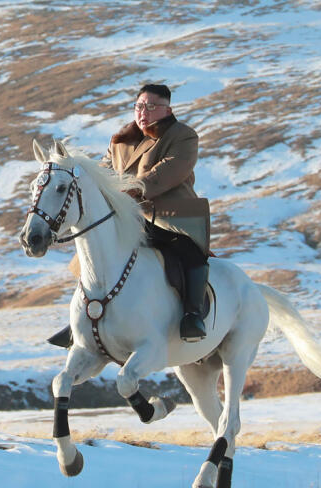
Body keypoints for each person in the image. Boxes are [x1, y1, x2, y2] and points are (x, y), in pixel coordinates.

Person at [47, 83, 210, 348]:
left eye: (151, 107)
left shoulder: (183, 137)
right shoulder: (120, 139)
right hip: (127, 217)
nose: (143, 112)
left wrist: (125, 192)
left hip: (169, 216)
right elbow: (103, 173)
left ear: (167, 110)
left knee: (189, 253)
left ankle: (192, 315)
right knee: (91, 255)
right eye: (139, 106)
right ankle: (84, 318)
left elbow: (165, 174)